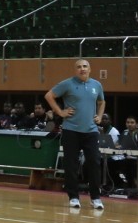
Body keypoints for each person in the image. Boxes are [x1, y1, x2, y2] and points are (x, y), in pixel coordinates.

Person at [44, 58, 106, 210]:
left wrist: (99, 116)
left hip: (91, 131)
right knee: (71, 165)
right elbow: (49, 96)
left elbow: (101, 102)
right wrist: (60, 112)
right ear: (75, 70)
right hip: (71, 130)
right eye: (79, 67)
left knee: (94, 163)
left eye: (85, 66)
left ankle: (95, 198)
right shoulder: (67, 84)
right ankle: (73, 197)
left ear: (89, 69)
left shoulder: (96, 85)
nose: (82, 69)